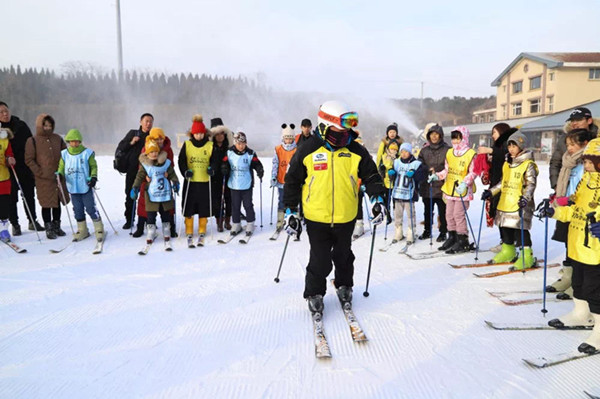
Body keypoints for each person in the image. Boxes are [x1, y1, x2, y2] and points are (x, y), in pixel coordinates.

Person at [282, 100, 387, 315]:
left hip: (345, 215)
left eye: (347, 132)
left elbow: (372, 175)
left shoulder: (355, 150)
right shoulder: (307, 150)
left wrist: (377, 199)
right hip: (316, 216)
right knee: (319, 259)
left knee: (344, 256)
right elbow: (292, 181)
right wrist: (291, 211)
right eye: (339, 131)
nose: (344, 136)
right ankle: (314, 292)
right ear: (324, 125)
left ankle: (344, 285)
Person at [539, 137, 600, 354]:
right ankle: (580, 314)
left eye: (592, 161)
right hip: (578, 245)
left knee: (595, 289)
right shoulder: (586, 181)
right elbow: (575, 209)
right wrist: (555, 211)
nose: (587, 165)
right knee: (579, 282)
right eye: (586, 161)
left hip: (596, 250)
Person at [546, 128, 594, 297]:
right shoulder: (569, 161)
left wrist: (568, 201)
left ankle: (577, 282)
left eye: (573, 144)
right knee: (568, 242)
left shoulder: (587, 164)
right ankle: (568, 277)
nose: (569, 148)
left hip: (580, 208)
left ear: (585, 144)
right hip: (567, 207)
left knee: (579, 245)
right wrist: (557, 200)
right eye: (568, 144)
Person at [481, 131, 539, 269]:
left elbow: (531, 184)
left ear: (521, 147)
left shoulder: (528, 164)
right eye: (509, 146)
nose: (511, 149)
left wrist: (525, 198)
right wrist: (491, 192)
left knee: (520, 230)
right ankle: (508, 250)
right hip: (506, 200)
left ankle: (527, 255)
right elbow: (503, 182)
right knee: (505, 227)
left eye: (514, 146)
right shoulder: (507, 163)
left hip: (520, 203)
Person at [428, 126, 476, 254]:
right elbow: (447, 170)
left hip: (462, 191)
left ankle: (462, 239)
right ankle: (452, 237)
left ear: (464, 138)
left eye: (458, 138)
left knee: (458, 215)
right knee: (448, 214)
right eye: (454, 138)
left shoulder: (470, 154)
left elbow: (473, 172)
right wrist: (437, 176)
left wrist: (465, 184)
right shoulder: (450, 152)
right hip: (450, 189)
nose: (455, 141)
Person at [0, 101, 44, 235]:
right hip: (7, 169)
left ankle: (32, 220)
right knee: (11, 197)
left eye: (6, 110)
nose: (5, 114)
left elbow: (32, 144)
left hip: (24, 166)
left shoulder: (21, 125)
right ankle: (15, 224)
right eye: (1, 112)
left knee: (29, 194)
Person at [24, 114, 69, 239]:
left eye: (50, 125)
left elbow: (65, 155)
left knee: (58, 202)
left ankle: (57, 225)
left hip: (58, 177)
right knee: (46, 203)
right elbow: (29, 159)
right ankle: (48, 227)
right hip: (43, 179)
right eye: (45, 125)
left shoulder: (57, 139)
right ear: (40, 125)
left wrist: (62, 169)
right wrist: (39, 172)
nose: (48, 128)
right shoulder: (32, 140)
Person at [56, 129, 104, 242]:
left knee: (90, 207)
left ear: (80, 141)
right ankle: (82, 230)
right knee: (77, 209)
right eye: (71, 141)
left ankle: (99, 228)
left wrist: (93, 177)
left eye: (76, 141)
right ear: (68, 142)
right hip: (73, 186)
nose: (74, 143)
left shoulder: (87, 153)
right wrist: (60, 174)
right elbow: (61, 167)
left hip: (85, 185)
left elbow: (93, 166)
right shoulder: (65, 154)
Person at [130, 138, 179, 246]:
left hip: (164, 194)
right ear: (147, 153)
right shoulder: (145, 165)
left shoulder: (165, 163)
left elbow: (172, 174)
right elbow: (139, 176)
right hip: (151, 195)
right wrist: (135, 187)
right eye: (151, 152)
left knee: (165, 214)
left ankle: (166, 229)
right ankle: (151, 231)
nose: (154, 154)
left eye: (156, 151)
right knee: (151, 215)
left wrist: (175, 183)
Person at [477, 123, 516, 252]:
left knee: (506, 216)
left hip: (507, 186)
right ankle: (504, 241)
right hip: (496, 185)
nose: (493, 135)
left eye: (494, 132)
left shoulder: (509, 144)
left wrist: (490, 151)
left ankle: (511, 242)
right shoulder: (498, 146)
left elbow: (506, 154)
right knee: (498, 214)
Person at [178, 115, 214, 246]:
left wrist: (212, 169)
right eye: (196, 133)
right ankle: (188, 228)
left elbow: (214, 160)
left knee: (203, 206)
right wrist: (185, 171)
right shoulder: (187, 144)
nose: (199, 136)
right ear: (192, 134)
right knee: (189, 206)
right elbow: (181, 160)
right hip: (191, 181)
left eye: (201, 133)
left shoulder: (210, 145)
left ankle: (202, 228)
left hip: (204, 181)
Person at [220, 131, 264, 237]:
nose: (241, 146)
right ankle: (236, 224)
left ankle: (250, 223)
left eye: (243, 143)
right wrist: (224, 168)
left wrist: (259, 169)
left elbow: (256, 163)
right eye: (239, 143)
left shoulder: (250, 153)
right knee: (235, 205)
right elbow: (224, 162)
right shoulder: (229, 152)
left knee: (248, 205)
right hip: (234, 184)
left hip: (246, 184)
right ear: (235, 143)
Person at [115, 113, 153, 230]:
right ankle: (129, 220)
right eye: (146, 121)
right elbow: (121, 147)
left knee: (147, 196)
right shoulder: (133, 133)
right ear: (140, 122)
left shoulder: (152, 136)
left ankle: (146, 219)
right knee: (130, 195)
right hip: (132, 170)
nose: (148, 124)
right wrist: (131, 142)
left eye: (151, 121)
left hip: (147, 171)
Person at [417, 124, 450, 242]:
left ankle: (443, 232)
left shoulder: (447, 149)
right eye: (432, 134)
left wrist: (440, 172)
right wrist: (427, 169)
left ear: (440, 136)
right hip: (428, 185)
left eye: (436, 134)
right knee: (427, 210)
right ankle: (427, 230)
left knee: (443, 211)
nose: (434, 137)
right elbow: (419, 163)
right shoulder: (424, 150)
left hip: (442, 185)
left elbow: (450, 165)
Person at [388, 142, 426, 244]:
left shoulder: (415, 163)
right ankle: (398, 231)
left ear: (410, 152)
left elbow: (421, 177)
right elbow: (393, 173)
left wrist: (414, 174)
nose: (404, 154)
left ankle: (411, 232)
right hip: (397, 193)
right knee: (398, 215)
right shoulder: (396, 162)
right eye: (402, 151)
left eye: (406, 152)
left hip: (409, 193)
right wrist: (391, 174)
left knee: (410, 215)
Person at [271, 123, 297, 232]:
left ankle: (294, 219)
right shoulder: (278, 149)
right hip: (281, 180)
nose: (288, 140)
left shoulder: (297, 149)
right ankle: (280, 220)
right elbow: (275, 163)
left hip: (292, 182)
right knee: (281, 200)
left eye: (290, 138)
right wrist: (273, 177)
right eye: (286, 138)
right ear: (283, 138)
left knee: (293, 201)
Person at [210, 118, 233, 232]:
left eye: (222, 133)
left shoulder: (229, 146)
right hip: (215, 178)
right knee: (217, 200)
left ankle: (228, 221)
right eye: (217, 134)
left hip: (228, 176)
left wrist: (227, 167)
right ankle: (219, 222)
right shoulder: (210, 147)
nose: (220, 136)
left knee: (229, 199)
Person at [0, 126, 16, 241]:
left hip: (3, 178)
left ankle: (4, 229)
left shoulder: (4, 140)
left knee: (4, 206)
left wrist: (10, 159)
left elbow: (9, 154)